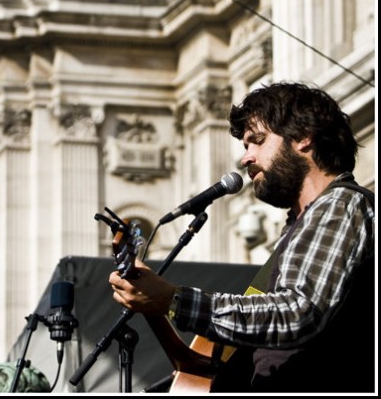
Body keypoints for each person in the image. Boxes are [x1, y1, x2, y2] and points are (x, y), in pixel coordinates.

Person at [109, 82, 375, 392]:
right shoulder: (300, 225)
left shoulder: (339, 204)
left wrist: (172, 299)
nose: (245, 158)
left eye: (257, 141)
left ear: (303, 137)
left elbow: (299, 313)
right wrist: (160, 306)